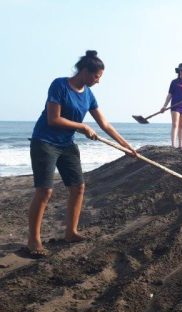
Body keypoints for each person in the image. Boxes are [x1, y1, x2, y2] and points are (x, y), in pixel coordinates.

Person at [28, 50, 137, 257]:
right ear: (85, 71)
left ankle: (71, 232)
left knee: (78, 187)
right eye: (97, 77)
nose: (98, 81)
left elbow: (104, 124)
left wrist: (126, 146)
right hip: (44, 142)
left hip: (66, 143)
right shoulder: (59, 85)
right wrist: (82, 127)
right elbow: (53, 119)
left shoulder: (88, 94)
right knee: (45, 191)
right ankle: (33, 240)